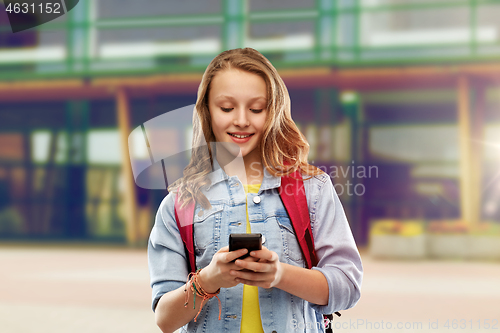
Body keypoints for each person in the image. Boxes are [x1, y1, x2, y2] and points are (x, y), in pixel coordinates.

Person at [148, 48, 363, 333]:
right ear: (206, 112)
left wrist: (279, 274)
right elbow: (165, 319)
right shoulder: (178, 204)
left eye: (256, 109)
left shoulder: (313, 189)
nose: (241, 120)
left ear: (273, 112)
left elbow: (348, 287)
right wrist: (208, 280)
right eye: (226, 108)